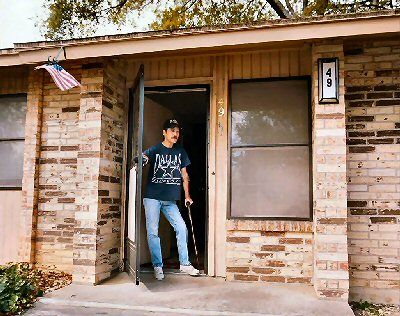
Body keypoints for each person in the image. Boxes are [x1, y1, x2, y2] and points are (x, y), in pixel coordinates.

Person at [141, 118, 200, 280]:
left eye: (177, 131)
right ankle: (157, 266)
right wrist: (142, 159)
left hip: (170, 200)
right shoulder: (155, 150)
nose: (175, 134)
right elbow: (143, 157)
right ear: (164, 132)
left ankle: (185, 264)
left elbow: (185, 175)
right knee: (153, 231)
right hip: (152, 197)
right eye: (172, 130)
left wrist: (187, 196)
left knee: (182, 228)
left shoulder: (180, 152)